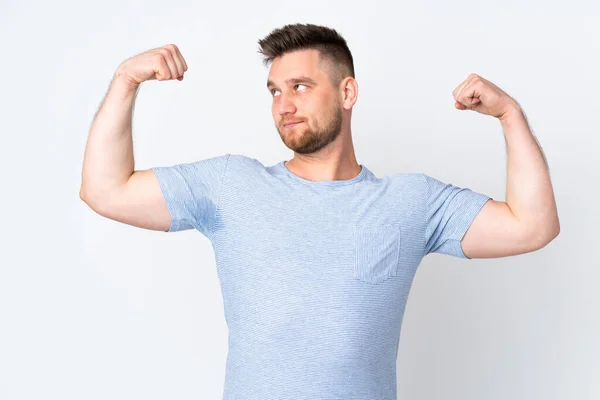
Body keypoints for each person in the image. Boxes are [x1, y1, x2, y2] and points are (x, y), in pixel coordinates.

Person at [80, 23, 560, 400]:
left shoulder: (410, 202)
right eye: (274, 91)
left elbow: (532, 225)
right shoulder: (231, 185)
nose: (284, 105)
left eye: (301, 86)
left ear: (347, 93)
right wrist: (125, 81)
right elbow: (105, 190)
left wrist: (510, 115)